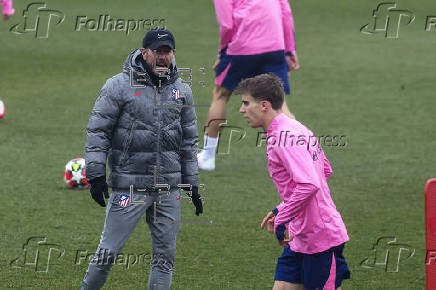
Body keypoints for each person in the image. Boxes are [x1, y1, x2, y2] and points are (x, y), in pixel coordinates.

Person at [82, 28, 203, 290]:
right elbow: (98, 131)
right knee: (108, 252)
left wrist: (192, 182)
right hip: (130, 186)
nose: (163, 57)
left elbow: (189, 141)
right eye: (157, 52)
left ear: (173, 53)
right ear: (144, 52)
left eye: (167, 52)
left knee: (164, 258)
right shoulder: (118, 86)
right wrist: (95, 174)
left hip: (168, 188)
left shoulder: (181, 91)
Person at [237, 74, 350, 290]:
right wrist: (282, 209)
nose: (242, 110)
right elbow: (323, 170)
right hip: (301, 238)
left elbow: (310, 184)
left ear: (264, 105)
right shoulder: (296, 127)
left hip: (321, 240)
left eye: (245, 103)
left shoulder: (283, 137)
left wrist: (283, 217)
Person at [197, 0, 300, 171]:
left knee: (221, 95)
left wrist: (223, 52)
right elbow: (286, 15)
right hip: (274, 46)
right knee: (279, 104)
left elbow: (227, 25)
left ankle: (207, 158)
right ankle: (298, 156)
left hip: (242, 47)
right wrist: (289, 50)